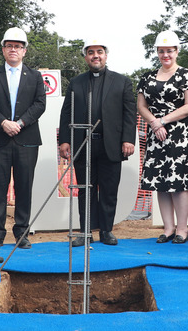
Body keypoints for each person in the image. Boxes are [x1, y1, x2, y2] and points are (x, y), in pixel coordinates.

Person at [58, 38, 137, 246]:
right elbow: (66, 113)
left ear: (106, 55)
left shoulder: (122, 82)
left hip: (111, 145)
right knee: (85, 189)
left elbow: (130, 114)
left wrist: (128, 139)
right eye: (91, 52)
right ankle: (85, 232)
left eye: (99, 51)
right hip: (83, 145)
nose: (96, 55)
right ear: (86, 57)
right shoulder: (76, 82)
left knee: (109, 190)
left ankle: (106, 231)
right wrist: (64, 141)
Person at [0, 27, 46, 249]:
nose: (13, 50)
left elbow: (40, 104)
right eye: (9, 46)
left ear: (24, 51)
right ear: (3, 49)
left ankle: (22, 232)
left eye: (18, 46)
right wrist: (3, 123)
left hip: (26, 139)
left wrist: (20, 123)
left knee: (24, 187)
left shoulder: (35, 76)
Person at [137, 30, 188, 244]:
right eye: (162, 51)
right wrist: (155, 123)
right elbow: (141, 106)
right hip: (156, 134)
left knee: (179, 182)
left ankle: (182, 229)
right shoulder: (147, 77)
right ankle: (168, 229)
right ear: (157, 52)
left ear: (176, 51)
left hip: (180, 134)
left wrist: (163, 121)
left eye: (170, 51)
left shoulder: (187, 75)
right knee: (160, 182)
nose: (166, 55)